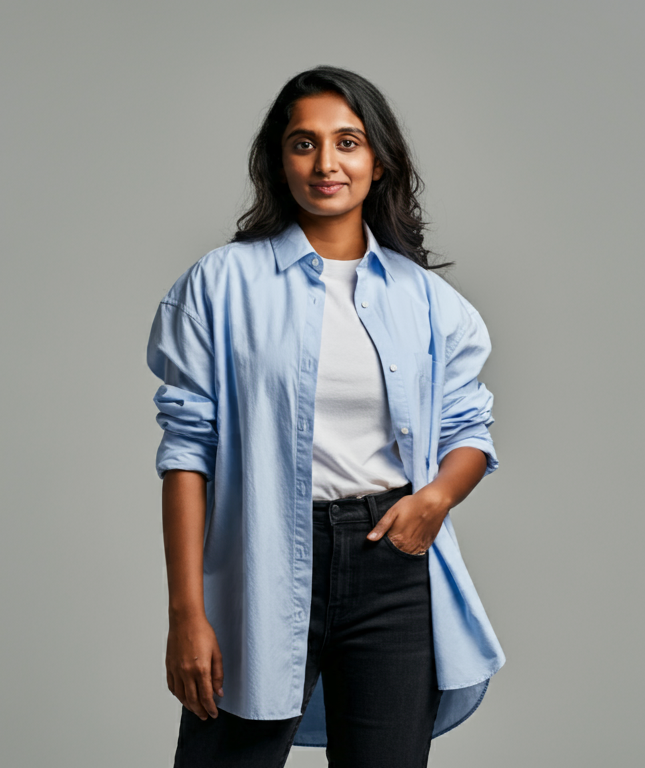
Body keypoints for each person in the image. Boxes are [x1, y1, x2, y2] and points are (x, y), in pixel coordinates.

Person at [146, 65, 506, 768]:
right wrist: (187, 613)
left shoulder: (428, 302)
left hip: (392, 566)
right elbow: (187, 451)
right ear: (279, 163)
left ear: (379, 161)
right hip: (261, 559)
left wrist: (435, 499)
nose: (326, 162)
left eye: (348, 141)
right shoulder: (220, 284)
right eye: (303, 143)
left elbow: (471, 430)